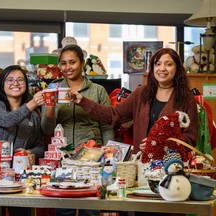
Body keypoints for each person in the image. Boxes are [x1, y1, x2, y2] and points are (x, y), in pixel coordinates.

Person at [70, 48, 198, 216]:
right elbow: (113, 115)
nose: (162, 69)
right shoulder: (141, 94)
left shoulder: (186, 98)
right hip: (143, 173)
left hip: (171, 173)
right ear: (152, 68)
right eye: (158, 64)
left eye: (168, 64)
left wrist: (163, 143)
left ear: (177, 69)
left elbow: (191, 138)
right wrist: (82, 101)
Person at [41, 44, 114, 216]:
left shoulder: (98, 91)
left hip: (92, 157)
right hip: (63, 158)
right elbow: (47, 129)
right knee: (64, 207)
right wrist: (50, 106)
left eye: (72, 62)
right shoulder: (53, 89)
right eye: (63, 63)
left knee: (90, 207)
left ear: (82, 63)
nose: (68, 67)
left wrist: (109, 155)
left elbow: (107, 124)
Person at [0, 64, 45, 216]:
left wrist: (28, 152)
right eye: (9, 80)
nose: (15, 83)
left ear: (26, 84)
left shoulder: (34, 116)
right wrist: (31, 104)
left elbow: (40, 147)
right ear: (2, 85)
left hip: (20, 179)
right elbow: (7, 120)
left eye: (20, 80)